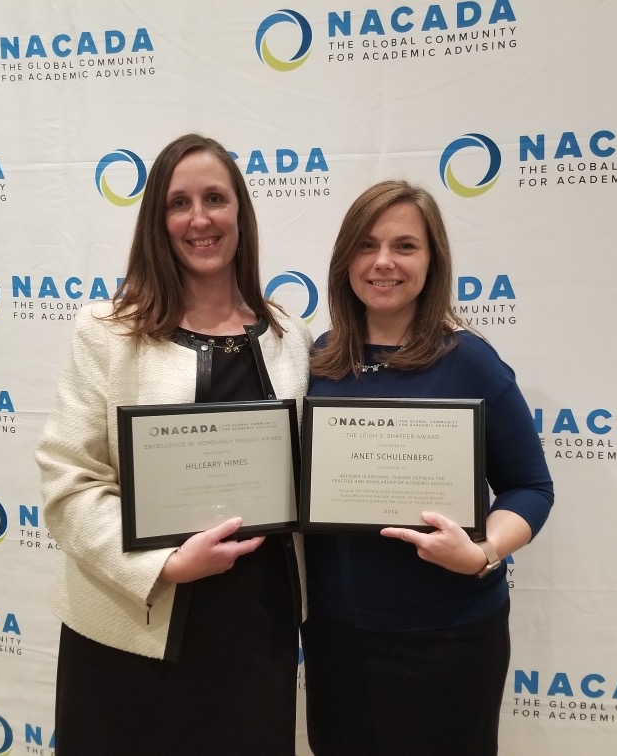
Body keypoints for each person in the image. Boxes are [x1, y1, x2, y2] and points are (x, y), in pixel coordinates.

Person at [35, 134, 311, 755]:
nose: (200, 218)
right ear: (157, 222)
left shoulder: (289, 334)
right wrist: (162, 567)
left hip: (256, 633)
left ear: (240, 211)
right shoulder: (107, 332)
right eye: (178, 202)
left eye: (215, 198)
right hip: (130, 631)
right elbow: (68, 480)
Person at [301, 180, 554, 755]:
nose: (383, 262)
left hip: (450, 635)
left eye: (405, 246)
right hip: (338, 635)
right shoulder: (319, 360)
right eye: (366, 245)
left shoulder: (469, 360)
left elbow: (530, 487)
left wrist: (483, 552)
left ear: (432, 259)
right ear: (345, 259)